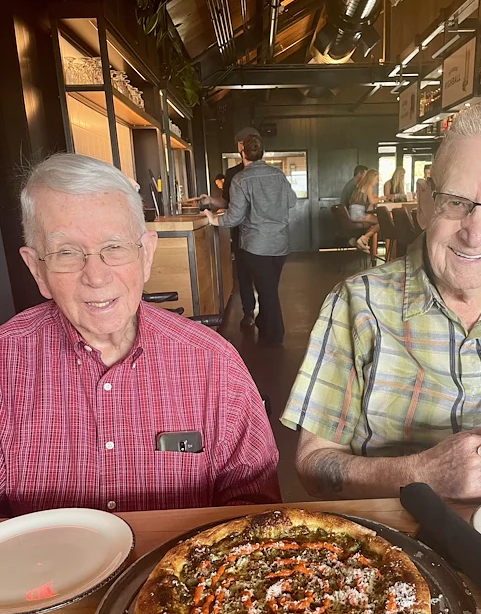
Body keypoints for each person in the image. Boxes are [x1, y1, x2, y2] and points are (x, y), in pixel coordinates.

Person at [281, 103, 481, 501]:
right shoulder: (357, 305)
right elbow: (314, 463)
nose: (475, 234)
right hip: (394, 546)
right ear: (425, 202)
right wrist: (422, 473)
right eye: (456, 202)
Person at [0, 153, 280, 518]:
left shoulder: (215, 362)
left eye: (114, 247)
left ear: (146, 255)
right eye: (67, 252)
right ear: (37, 270)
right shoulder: (6, 362)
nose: (96, 277)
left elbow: (257, 506)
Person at [206, 134, 297, 347]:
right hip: (280, 243)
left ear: (242, 152)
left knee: (268, 291)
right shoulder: (278, 175)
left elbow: (235, 216)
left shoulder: (241, 179)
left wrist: (214, 219)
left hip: (257, 244)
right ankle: (264, 324)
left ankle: (275, 335)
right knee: (269, 287)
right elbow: (291, 201)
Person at [202, 127, 261, 328]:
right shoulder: (234, 173)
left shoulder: (241, 173)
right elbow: (227, 202)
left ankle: (258, 314)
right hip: (248, 234)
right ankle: (249, 312)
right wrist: (211, 200)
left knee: (251, 276)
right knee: (245, 275)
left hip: (249, 233)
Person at [348, 169, 384, 253]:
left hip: (353, 213)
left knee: (374, 222)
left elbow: (369, 207)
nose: (377, 181)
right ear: (372, 178)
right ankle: (364, 239)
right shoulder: (369, 186)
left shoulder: (361, 186)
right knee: (382, 221)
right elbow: (372, 201)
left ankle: (362, 241)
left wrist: (374, 197)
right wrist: (381, 198)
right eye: (377, 179)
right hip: (358, 214)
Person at [416, 164, 435, 230]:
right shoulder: (422, 185)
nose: (428, 176)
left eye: (429, 173)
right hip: (425, 224)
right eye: (426, 173)